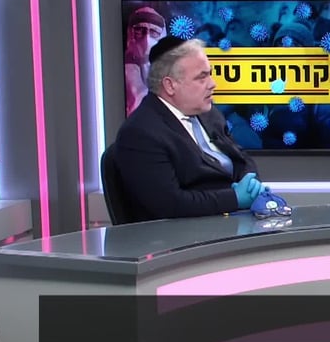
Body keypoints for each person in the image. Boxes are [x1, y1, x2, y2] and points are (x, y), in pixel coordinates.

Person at [113, 37, 265, 222]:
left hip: (234, 220)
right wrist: (234, 198)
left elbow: (240, 158)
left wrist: (250, 182)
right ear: (170, 85)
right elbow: (170, 204)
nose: (212, 84)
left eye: (210, 74)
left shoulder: (209, 114)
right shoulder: (140, 133)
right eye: (202, 77)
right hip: (190, 233)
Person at [124, 6, 165, 116]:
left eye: (154, 32)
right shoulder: (121, 69)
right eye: (139, 30)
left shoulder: (168, 70)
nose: (146, 38)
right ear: (131, 32)